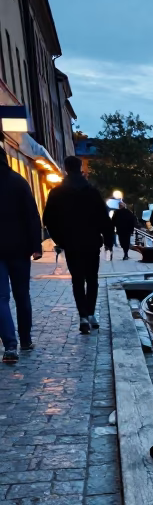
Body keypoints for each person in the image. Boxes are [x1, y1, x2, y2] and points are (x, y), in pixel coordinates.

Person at [42, 156, 112, 334]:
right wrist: (109, 242)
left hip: (71, 243)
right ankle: (91, 313)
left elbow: (48, 219)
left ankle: (82, 315)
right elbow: (104, 219)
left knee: (78, 280)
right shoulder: (92, 191)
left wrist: (60, 240)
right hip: (91, 242)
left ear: (65, 169)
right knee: (92, 279)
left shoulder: (57, 192)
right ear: (80, 168)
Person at [0, 147, 42, 362]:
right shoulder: (18, 181)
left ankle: (9, 345)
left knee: (1, 298)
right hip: (19, 248)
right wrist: (37, 246)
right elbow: (32, 216)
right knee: (21, 294)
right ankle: (25, 339)